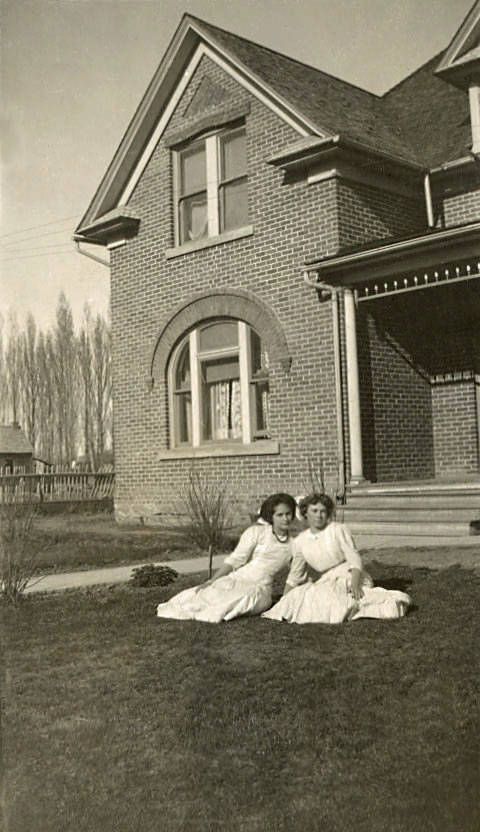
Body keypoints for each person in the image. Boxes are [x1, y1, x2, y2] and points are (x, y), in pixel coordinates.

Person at [262, 493, 412, 624]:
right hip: (326, 580)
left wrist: (354, 584)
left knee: (333, 600)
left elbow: (354, 559)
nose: (319, 515)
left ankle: (379, 604)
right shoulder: (300, 541)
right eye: (314, 511)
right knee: (302, 596)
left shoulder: (338, 530)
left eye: (323, 511)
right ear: (305, 513)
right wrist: (284, 599)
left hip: (350, 575)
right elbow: (295, 575)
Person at [156, 493, 297, 623]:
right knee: (206, 594)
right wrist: (212, 581)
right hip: (238, 579)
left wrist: (285, 600)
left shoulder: (294, 544)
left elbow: (295, 576)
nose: (285, 519)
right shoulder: (257, 532)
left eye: (288, 514)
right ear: (271, 516)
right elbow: (235, 560)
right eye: (280, 515)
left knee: (241, 598)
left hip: (261, 588)